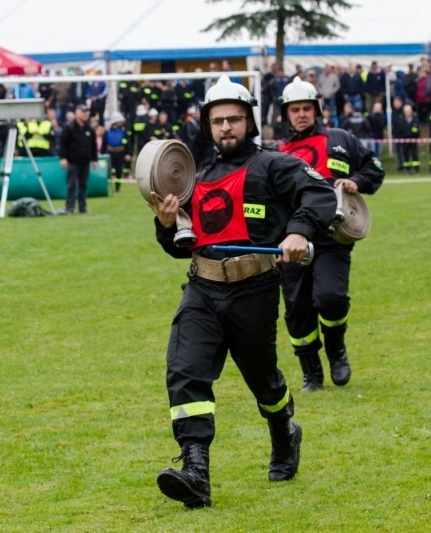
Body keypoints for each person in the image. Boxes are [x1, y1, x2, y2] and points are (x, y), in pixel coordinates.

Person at [148, 75, 337, 508]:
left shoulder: (274, 165)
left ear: (250, 121)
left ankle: (284, 431)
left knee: (264, 382)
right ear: (207, 126)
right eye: (218, 121)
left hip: (255, 289)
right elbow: (180, 246)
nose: (226, 128)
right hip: (202, 289)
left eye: (234, 119)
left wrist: (298, 230)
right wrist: (165, 223)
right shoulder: (195, 177)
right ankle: (195, 470)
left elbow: (320, 194)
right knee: (185, 370)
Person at [277, 76, 384, 391]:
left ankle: (337, 350)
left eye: (307, 108)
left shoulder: (341, 139)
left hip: (333, 237)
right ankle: (311, 371)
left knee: (330, 298)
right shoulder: (277, 152)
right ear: (286, 114)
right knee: (297, 310)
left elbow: (374, 169)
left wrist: (357, 182)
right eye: (295, 109)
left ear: (316, 110)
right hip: (291, 240)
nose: (301, 115)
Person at [59, 104, 97, 214]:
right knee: (71, 185)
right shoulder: (69, 127)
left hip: (85, 161)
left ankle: (82, 207)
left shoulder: (89, 129)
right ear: (77, 113)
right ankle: (69, 207)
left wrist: (94, 159)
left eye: (86, 112)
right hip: (72, 161)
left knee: (83, 185)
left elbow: (93, 145)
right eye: (83, 111)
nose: (85, 114)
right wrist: (63, 158)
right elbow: (63, 144)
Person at [103, 111, 129, 192]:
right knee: (110, 170)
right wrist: (103, 154)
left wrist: (128, 153)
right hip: (110, 153)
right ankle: (108, 186)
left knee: (119, 170)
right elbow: (104, 144)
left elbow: (128, 143)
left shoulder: (123, 131)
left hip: (120, 153)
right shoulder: (107, 132)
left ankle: (117, 187)